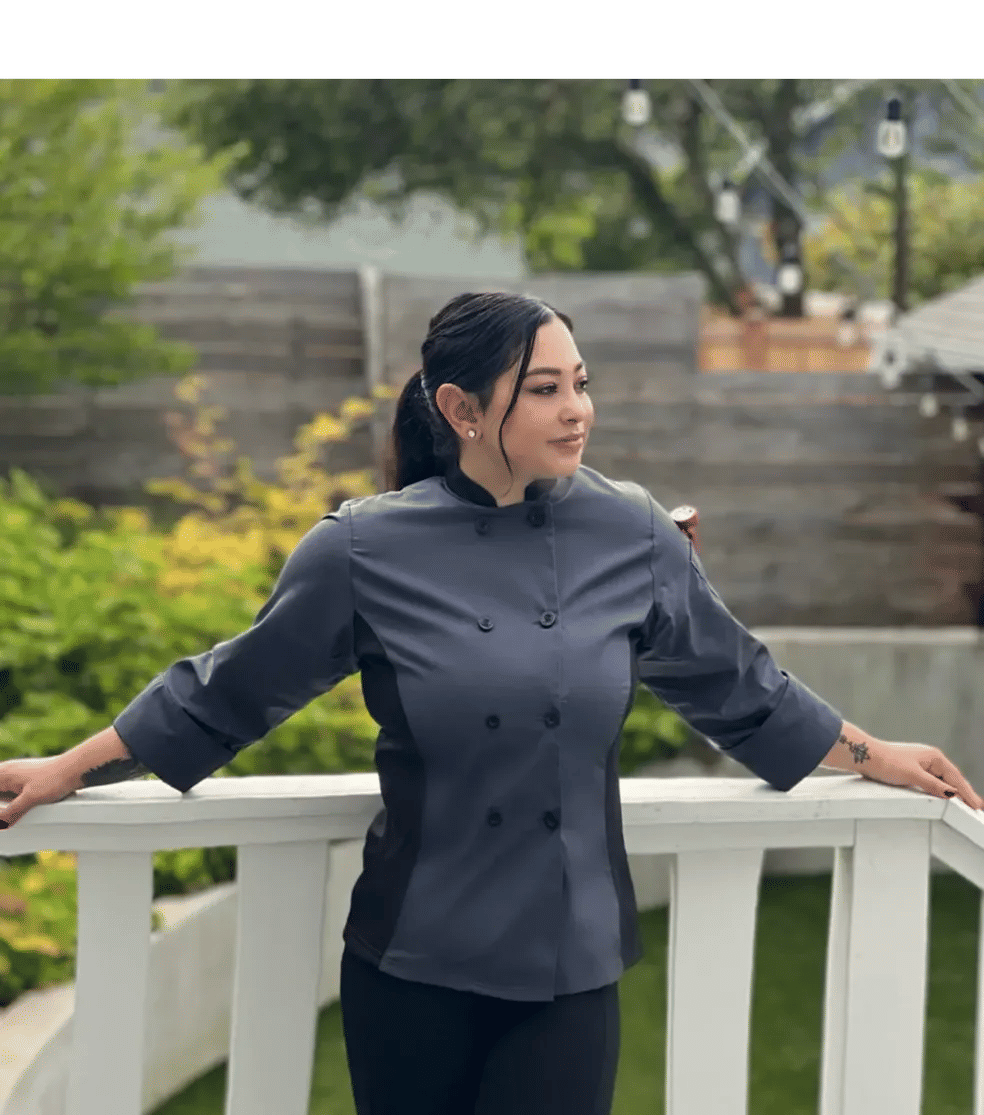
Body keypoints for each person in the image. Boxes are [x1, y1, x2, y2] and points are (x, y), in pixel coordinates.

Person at [0, 290, 980, 1115]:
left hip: (569, 965)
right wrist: (68, 769)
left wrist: (876, 755)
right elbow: (231, 690)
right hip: (411, 960)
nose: (577, 410)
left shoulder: (633, 531)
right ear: (461, 408)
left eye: (581, 383)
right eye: (544, 389)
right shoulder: (362, 549)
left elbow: (740, 684)